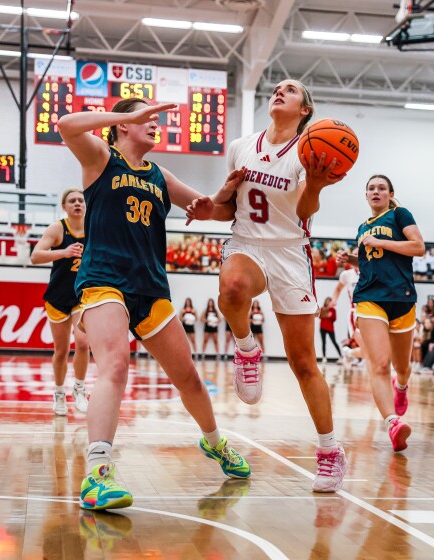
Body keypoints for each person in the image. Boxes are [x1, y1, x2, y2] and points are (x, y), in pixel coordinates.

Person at [57, 98, 250, 511]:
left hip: (151, 287)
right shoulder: (101, 158)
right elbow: (67, 123)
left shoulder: (161, 175)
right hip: (104, 279)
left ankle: (215, 443)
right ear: (124, 125)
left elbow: (211, 210)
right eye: (148, 118)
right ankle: (97, 475)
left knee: (189, 379)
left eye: (155, 120)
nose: (155, 125)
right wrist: (127, 114)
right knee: (114, 364)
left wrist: (216, 198)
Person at [186, 78, 347, 492]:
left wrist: (313, 183)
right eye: (277, 88)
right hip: (247, 243)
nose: (280, 91)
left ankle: (330, 450)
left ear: (305, 110)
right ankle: (246, 348)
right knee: (234, 288)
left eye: (290, 90)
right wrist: (209, 211)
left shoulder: (310, 151)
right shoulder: (241, 146)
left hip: (291, 251)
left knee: (303, 363)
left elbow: (305, 213)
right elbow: (230, 210)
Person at [339, 174, 424, 452]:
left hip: (401, 297)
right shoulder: (363, 228)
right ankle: (393, 423)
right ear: (365, 196)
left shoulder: (399, 214)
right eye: (371, 189)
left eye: (381, 188)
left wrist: (382, 243)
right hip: (369, 297)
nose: (376, 192)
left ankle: (401, 386)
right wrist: (351, 259)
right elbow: (370, 263)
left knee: (402, 367)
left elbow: (418, 247)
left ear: (390, 194)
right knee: (378, 364)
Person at [30, 188, 90, 416]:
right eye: (72, 201)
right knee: (61, 350)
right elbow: (36, 256)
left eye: (81, 200)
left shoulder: (94, 228)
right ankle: (58, 392)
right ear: (64, 207)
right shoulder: (57, 228)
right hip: (57, 296)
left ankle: (80, 388)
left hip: (82, 295)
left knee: (83, 343)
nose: (77, 204)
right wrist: (63, 252)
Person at [318, 297, 342, 363]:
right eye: (327, 301)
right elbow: (319, 316)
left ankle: (341, 357)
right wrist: (326, 315)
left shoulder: (333, 310)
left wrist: (328, 316)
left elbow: (334, 318)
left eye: (329, 301)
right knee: (323, 342)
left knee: (334, 342)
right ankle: (324, 357)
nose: (328, 302)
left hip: (330, 328)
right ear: (325, 302)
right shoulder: (322, 308)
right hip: (322, 327)